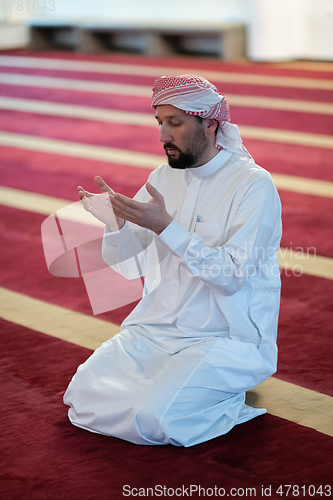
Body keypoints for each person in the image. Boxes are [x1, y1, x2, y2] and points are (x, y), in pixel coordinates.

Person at [63, 74, 282, 447]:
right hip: (155, 329)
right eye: (160, 123)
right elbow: (129, 267)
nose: (164, 136)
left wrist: (166, 227)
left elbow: (229, 277)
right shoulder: (162, 178)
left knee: (152, 419)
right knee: (79, 396)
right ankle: (186, 390)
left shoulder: (252, 186)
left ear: (210, 123)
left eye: (175, 124)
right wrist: (116, 227)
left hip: (222, 337)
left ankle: (227, 398)